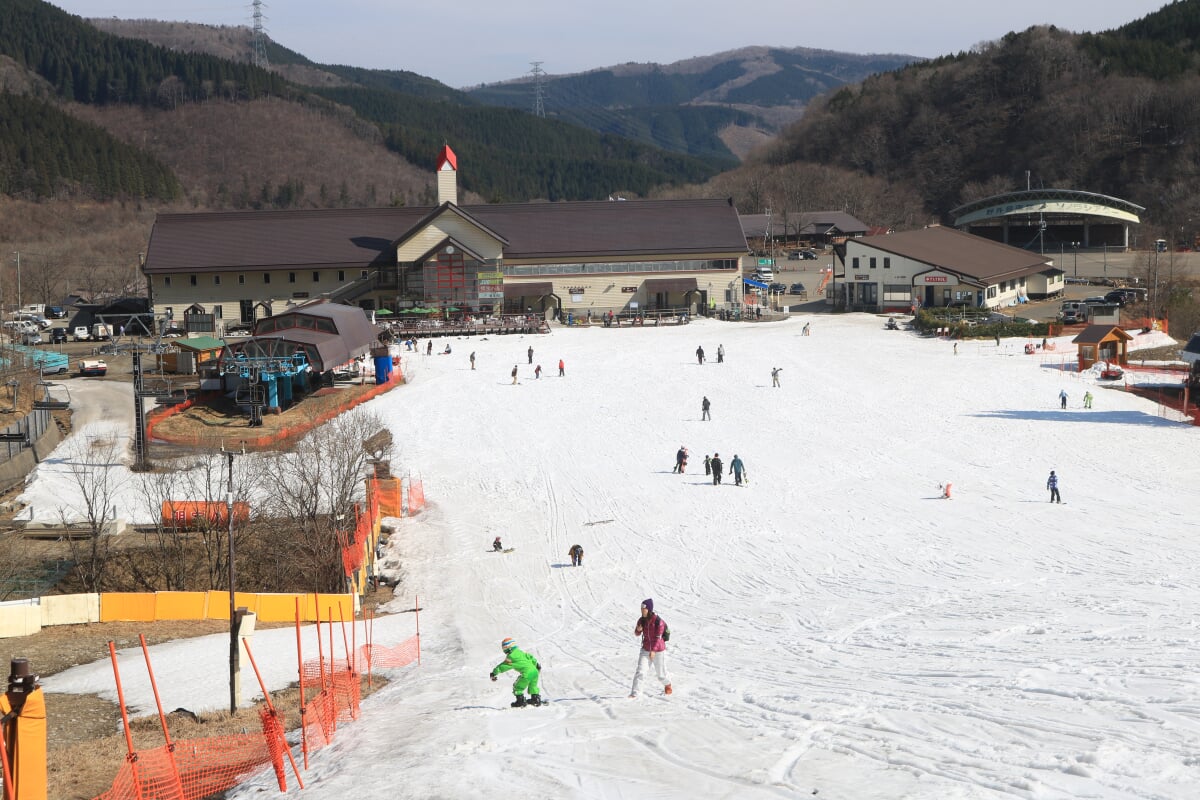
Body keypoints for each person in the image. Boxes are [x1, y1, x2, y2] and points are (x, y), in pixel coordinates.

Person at [629, 599, 671, 698]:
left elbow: (658, 638)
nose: (642, 611)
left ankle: (667, 684)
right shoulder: (641, 620)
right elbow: (636, 633)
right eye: (641, 609)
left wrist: (653, 651)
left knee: (661, 675)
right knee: (640, 672)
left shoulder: (658, 622)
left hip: (658, 650)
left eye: (644, 609)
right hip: (645, 649)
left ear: (649, 609)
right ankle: (635, 694)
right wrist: (638, 630)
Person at [490, 637, 543, 707]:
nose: (503, 650)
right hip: (535, 672)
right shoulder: (520, 652)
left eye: (504, 648)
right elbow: (530, 657)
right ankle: (535, 699)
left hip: (526, 673)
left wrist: (494, 673)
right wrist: (537, 665)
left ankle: (520, 702)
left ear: (508, 647)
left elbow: (503, 666)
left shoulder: (511, 657)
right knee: (533, 686)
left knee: (517, 687)